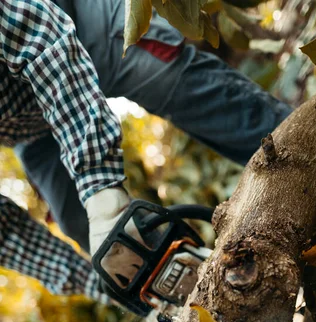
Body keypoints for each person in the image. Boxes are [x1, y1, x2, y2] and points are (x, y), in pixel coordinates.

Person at [0, 0, 291, 304]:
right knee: (80, 223)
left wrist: (100, 191)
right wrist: (108, 285)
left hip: (71, 28)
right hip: (27, 128)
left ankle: (314, 152)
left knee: (167, 80)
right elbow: (5, 235)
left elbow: (40, 41)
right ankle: (195, 295)